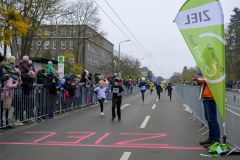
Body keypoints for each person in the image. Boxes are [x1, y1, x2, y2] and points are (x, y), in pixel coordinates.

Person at [192, 72, 220, 148]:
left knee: (212, 119)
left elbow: (209, 79)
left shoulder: (213, 70)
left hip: (210, 96)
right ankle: (211, 138)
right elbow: (204, 81)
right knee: (209, 118)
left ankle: (216, 141)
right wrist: (198, 79)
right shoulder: (210, 69)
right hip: (207, 96)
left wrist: (198, 78)